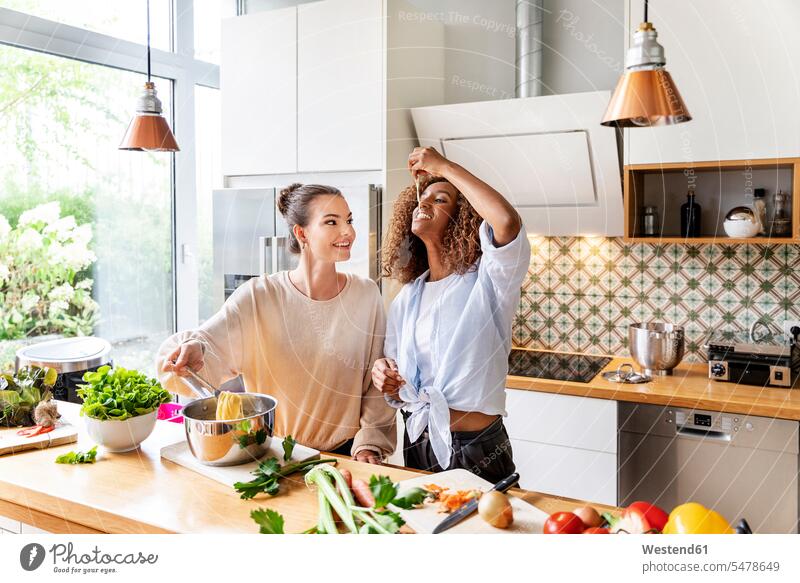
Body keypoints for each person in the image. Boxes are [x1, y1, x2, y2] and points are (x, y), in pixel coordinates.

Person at [156, 183, 395, 463]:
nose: (349, 232)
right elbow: (202, 349)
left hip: (346, 456)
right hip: (274, 455)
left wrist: (369, 445)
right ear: (301, 233)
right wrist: (194, 349)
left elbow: (377, 383)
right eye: (332, 222)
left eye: (349, 220)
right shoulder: (259, 296)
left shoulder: (366, 295)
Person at [372, 147, 531, 482]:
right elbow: (395, 377)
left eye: (441, 199)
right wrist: (383, 374)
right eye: (422, 198)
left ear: (463, 217)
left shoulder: (489, 280)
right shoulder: (407, 298)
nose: (424, 204)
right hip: (417, 441)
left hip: (477, 448)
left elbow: (505, 221)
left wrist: (442, 166)